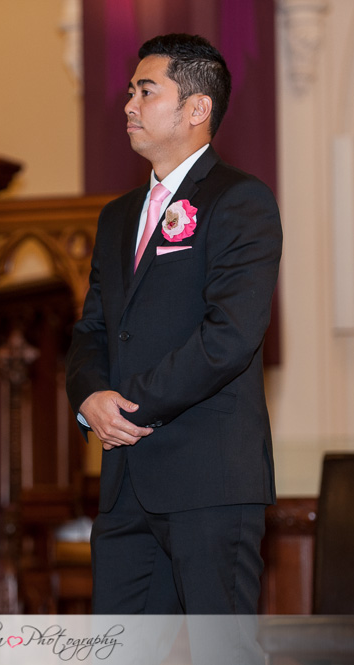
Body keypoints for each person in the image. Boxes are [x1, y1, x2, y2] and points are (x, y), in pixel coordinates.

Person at [65, 32, 282, 622]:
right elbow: (93, 329)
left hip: (208, 480)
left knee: (221, 652)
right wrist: (90, 396)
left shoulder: (240, 201)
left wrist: (128, 408)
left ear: (196, 108)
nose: (128, 105)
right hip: (123, 486)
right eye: (130, 91)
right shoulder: (115, 218)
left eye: (145, 90)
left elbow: (229, 336)